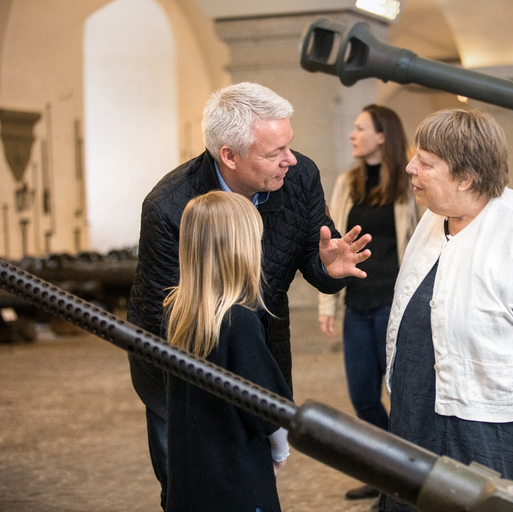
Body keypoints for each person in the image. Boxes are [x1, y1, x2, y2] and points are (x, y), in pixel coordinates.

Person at [127, 82, 371, 509]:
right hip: (181, 381)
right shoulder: (169, 207)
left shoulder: (300, 178)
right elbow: (165, 317)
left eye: (289, 146)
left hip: (259, 352)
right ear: (229, 155)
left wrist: (330, 270)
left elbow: (313, 260)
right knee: (187, 487)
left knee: (252, 480)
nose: (289, 160)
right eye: (274, 152)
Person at [380, 109, 513, 511]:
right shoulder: (433, 219)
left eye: (425, 162)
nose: (410, 168)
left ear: (466, 177)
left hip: (498, 429)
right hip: (420, 413)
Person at [163, 191, 291, 512]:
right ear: (242, 250)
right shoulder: (240, 321)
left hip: (189, 480)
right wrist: (280, 452)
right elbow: (268, 407)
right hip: (239, 483)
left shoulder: (176, 314)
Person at [317, 105, 420, 501]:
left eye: (360, 128)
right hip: (357, 305)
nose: (352, 135)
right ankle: (385, 474)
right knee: (363, 395)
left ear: (382, 136)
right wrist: (328, 305)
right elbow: (330, 242)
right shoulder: (347, 182)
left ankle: (402, 482)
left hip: (394, 306)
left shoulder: (408, 183)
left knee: (400, 394)